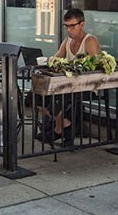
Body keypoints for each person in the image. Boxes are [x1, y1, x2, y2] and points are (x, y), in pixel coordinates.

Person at [38, 8, 100, 143]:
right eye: (66, 26)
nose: (69, 30)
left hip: (86, 86)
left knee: (58, 98)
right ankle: (65, 124)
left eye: (72, 26)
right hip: (67, 84)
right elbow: (56, 58)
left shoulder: (89, 41)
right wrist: (49, 62)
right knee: (35, 96)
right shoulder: (67, 41)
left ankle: (59, 130)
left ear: (82, 24)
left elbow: (95, 66)